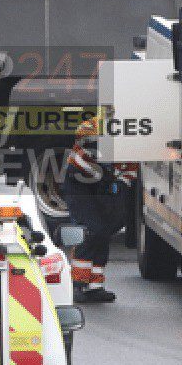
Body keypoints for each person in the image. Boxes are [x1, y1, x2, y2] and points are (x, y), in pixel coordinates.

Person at [60, 119, 136, 303]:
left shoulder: (125, 138)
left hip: (103, 188)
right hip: (80, 188)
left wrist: (119, 184)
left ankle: (95, 286)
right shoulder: (90, 133)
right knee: (89, 231)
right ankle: (78, 284)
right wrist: (108, 179)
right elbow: (88, 169)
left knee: (103, 233)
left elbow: (128, 170)